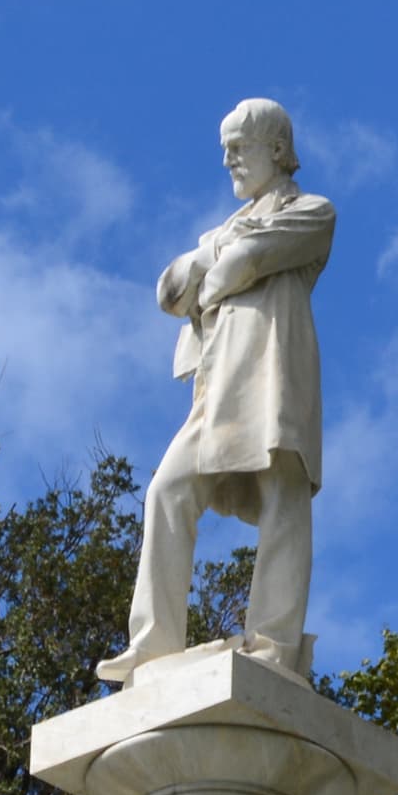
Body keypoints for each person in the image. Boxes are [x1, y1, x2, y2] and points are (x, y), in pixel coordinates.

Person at [99, 98, 334, 684]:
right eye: (224, 147)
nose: (228, 158)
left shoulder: (313, 212)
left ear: (277, 150)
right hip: (218, 385)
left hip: (276, 371)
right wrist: (214, 257)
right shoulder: (218, 233)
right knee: (167, 491)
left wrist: (216, 265)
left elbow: (246, 264)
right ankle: (151, 646)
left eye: (239, 146)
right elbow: (170, 292)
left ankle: (275, 645)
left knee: (284, 496)